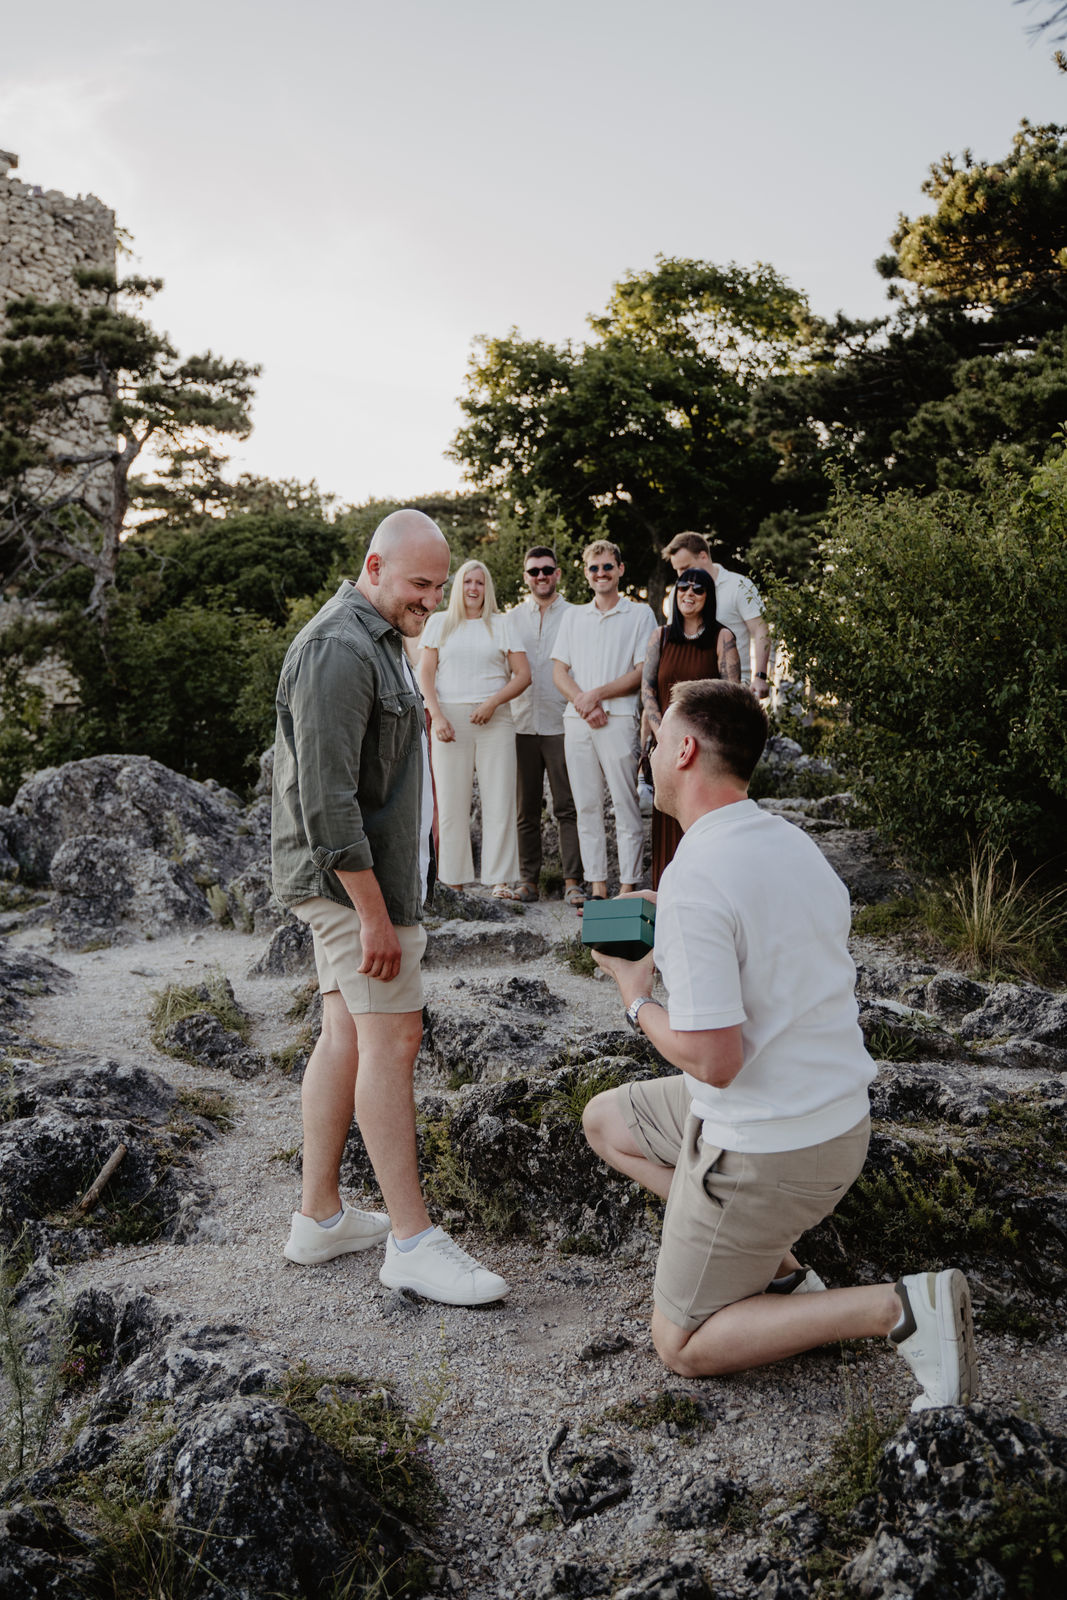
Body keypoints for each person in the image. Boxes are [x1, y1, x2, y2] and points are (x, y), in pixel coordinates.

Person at [581, 680, 977, 1408]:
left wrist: (634, 997)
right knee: (607, 1120)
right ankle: (778, 1271)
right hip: (836, 1123)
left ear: (684, 750)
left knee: (681, 1342)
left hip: (766, 1148)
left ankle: (896, 1308)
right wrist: (669, 914)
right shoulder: (789, 843)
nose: (650, 751)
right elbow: (761, 931)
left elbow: (715, 1062)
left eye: (657, 738)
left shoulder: (698, 876)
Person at [272, 510, 509, 1305]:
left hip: (367, 879)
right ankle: (412, 1241)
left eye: (439, 587)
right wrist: (373, 914)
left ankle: (319, 1218)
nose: (431, 600)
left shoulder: (379, 639)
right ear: (373, 567)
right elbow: (326, 800)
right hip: (352, 885)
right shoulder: (338, 648)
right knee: (393, 1037)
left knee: (346, 1030)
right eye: (419, 584)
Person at [417, 559, 531, 898]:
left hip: (495, 720)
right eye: (468, 581)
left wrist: (492, 703)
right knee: (451, 804)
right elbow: (425, 674)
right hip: (450, 721)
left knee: (499, 801)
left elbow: (523, 675)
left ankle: (500, 881)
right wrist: (437, 716)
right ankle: (453, 879)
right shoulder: (439, 623)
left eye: (480, 582)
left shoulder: (502, 624)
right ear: (458, 586)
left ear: (487, 588)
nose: (473, 588)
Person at [551, 540, 657, 899]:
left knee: (625, 805)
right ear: (586, 573)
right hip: (577, 720)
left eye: (608, 567)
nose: (601, 573)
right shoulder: (573, 616)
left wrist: (596, 695)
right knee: (587, 806)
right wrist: (584, 702)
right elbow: (559, 671)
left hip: (619, 718)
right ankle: (597, 885)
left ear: (620, 569)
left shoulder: (640, 614)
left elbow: (642, 672)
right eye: (594, 568)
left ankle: (628, 886)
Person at [641, 566, 740, 888]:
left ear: (708, 597)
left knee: (702, 822)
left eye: (698, 589)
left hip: (705, 751)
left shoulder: (722, 638)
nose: (689, 594)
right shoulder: (660, 637)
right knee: (668, 822)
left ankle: (706, 895)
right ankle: (666, 898)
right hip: (666, 748)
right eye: (683, 586)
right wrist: (662, 734)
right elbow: (647, 690)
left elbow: (732, 696)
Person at [506, 546, 586, 907]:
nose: (541, 576)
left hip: (562, 723)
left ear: (558, 573)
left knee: (568, 806)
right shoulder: (511, 619)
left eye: (547, 570)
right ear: (526, 576)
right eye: (534, 571)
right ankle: (528, 881)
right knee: (526, 810)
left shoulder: (576, 616)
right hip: (521, 723)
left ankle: (573, 881)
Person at [661, 532, 771, 698]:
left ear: (703, 556)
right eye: (677, 570)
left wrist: (760, 676)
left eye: (685, 567)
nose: (681, 575)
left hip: (732, 687)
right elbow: (674, 638)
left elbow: (761, 629)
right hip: (688, 689)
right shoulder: (678, 593)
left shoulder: (740, 586)